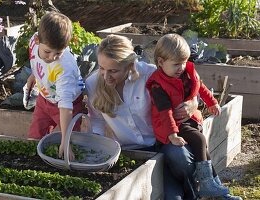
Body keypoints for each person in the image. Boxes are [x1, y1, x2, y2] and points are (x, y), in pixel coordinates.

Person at [85, 34, 199, 200]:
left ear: (130, 65)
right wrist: (100, 147)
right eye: (102, 68)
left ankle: (193, 189)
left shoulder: (149, 74)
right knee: (172, 197)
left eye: (113, 71)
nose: (106, 75)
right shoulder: (93, 84)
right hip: (132, 151)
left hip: (163, 142)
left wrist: (192, 102)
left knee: (180, 158)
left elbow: (188, 83)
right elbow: (96, 119)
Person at [146, 33, 242, 200]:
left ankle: (213, 186)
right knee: (200, 140)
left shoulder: (185, 73)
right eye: (176, 64)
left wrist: (212, 102)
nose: (182, 67)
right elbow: (164, 112)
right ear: (161, 62)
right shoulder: (158, 84)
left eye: (184, 62)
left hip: (188, 120)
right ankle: (208, 184)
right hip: (171, 126)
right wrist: (172, 135)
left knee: (202, 146)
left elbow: (200, 87)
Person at [23, 11, 84, 159]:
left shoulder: (65, 68)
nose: (52, 57)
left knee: (68, 143)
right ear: (37, 40)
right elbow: (35, 60)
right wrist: (34, 75)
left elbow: (65, 106)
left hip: (69, 104)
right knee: (35, 135)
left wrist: (66, 140)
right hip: (44, 99)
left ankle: (68, 161)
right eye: (47, 52)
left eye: (58, 53)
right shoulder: (33, 41)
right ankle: (35, 163)